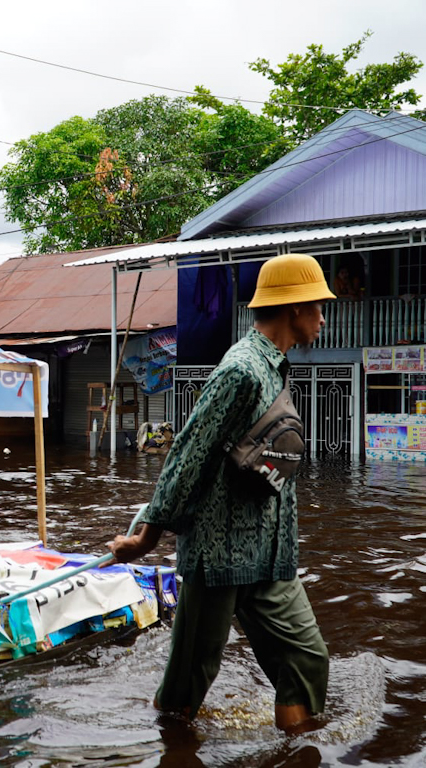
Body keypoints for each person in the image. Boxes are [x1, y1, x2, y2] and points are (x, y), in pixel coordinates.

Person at [107, 253, 334, 734]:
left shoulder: (275, 368)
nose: (322, 316)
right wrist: (149, 535)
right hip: (220, 553)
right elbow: (187, 456)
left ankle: (296, 748)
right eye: (317, 305)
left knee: (307, 660)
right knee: (188, 682)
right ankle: (168, 745)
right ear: (293, 308)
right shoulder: (242, 370)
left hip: (269, 557)